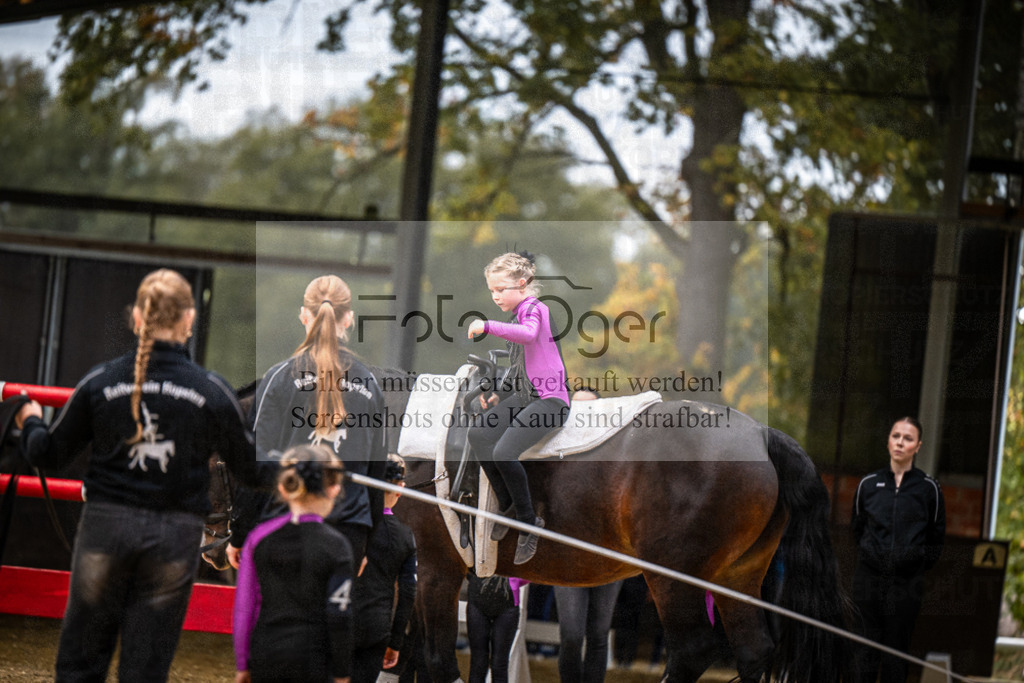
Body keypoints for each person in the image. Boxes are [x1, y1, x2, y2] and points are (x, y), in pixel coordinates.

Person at [15, 268, 275, 681]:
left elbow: (46, 454)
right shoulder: (212, 391)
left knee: (81, 662)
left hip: (105, 530)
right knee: (146, 668)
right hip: (173, 540)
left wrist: (29, 418)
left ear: (137, 317)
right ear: (189, 319)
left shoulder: (100, 382)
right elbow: (251, 470)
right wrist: (309, 463)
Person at [228, 274, 388, 569]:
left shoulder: (279, 378)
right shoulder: (370, 385)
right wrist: (367, 541)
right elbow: (376, 475)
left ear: (304, 315)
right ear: (349, 318)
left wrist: (239, 534)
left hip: (285, 523)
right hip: (348, 530)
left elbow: (255, 461)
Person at [466, 251, 570, 564]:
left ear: (522, 285)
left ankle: (528, 522)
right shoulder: (518, 313)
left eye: (500, 289)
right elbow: (521, 365)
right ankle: (508, 502)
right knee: (479, 434)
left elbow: (529, 336)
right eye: (492, 290)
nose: (495, 295)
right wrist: (499, 393)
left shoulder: (535, 308)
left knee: (502, 453)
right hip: (526, 396)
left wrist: (487, 326)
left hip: (550, 400)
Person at [233, 444, 353, 683]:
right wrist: (342, 672)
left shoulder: (258, 537)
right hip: (315, 661)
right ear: (334, 489)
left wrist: (242, 663)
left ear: (283, 487)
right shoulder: (338, 545)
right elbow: (340, 614)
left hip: (266, 654)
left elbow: (245, 606)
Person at [851, 416, 946, 683]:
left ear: (918, 446)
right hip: (868, 581)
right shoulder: (868, 484)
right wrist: (874, 557)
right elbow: (857, 528)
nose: (900, 443)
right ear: (888, 440)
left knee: (896, 654)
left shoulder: (929, 489)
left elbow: (936, 538)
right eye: (896, 436)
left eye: (908, 438)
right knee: (863, 651)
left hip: (906, 585)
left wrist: (911, 563)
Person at [351, 454, 418, 683]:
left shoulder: (349, 525)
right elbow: (408, 595)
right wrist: (395, 641)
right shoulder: (405, 536)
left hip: (339, 620)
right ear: (400, 489)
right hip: (376, 628)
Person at [465, 570, 528, 683]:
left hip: (507, 604)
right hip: (478, 599)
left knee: (499, 663)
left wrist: (515, 581)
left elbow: (530, 568)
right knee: (478, 661)